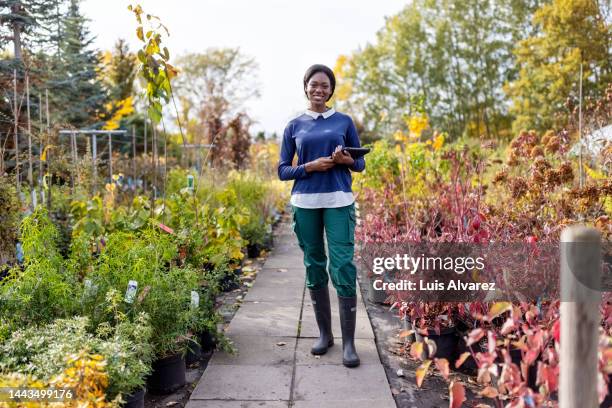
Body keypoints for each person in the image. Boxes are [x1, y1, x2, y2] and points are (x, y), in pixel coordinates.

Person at [277, 64, 365, 368]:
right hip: (305, 202)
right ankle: (325, 335)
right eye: (314, 85)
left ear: (331, 89)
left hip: (338, 200)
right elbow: (282, 170)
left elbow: (360, 165)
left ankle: (350, 344)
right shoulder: (294, 126)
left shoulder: (343, 121)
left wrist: (346, 160)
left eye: (325, 86)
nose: (319, 90)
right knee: (314, 265)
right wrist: (309, 167)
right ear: (305, 87)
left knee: (342, 265)